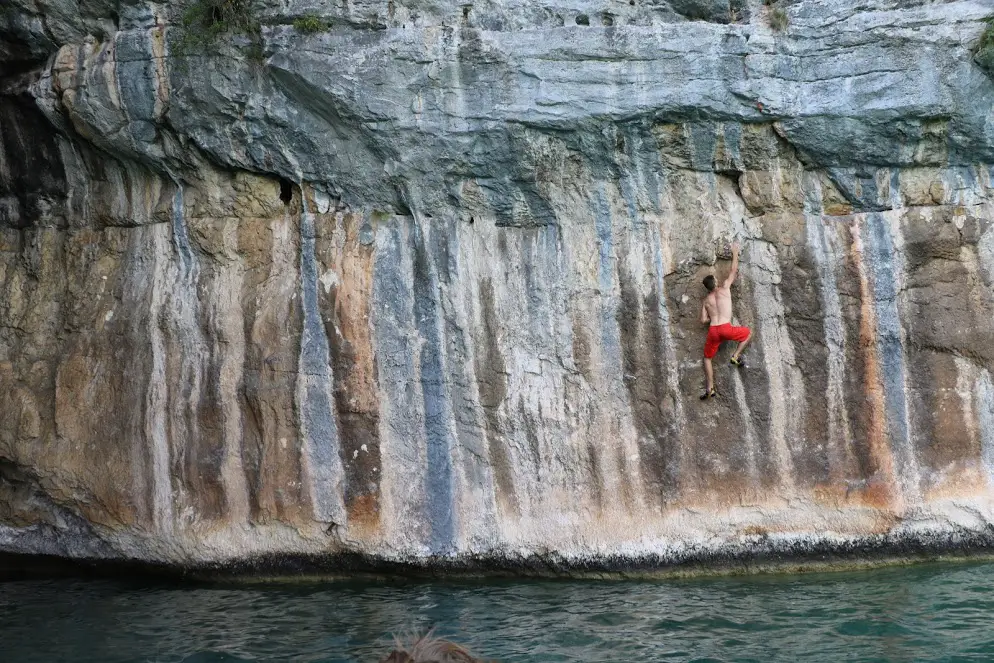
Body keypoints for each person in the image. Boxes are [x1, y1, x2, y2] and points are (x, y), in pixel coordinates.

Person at [699, 240, 751, 400]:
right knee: (748, 333)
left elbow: (703, 320)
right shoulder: (725, 288)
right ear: (715, 283)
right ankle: (736, 356)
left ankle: (710, 388)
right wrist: (735, 253)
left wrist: (712, 315)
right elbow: (733, 270)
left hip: (714, 330)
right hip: (726, 328)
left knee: (707, 358)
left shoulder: (706, 301)